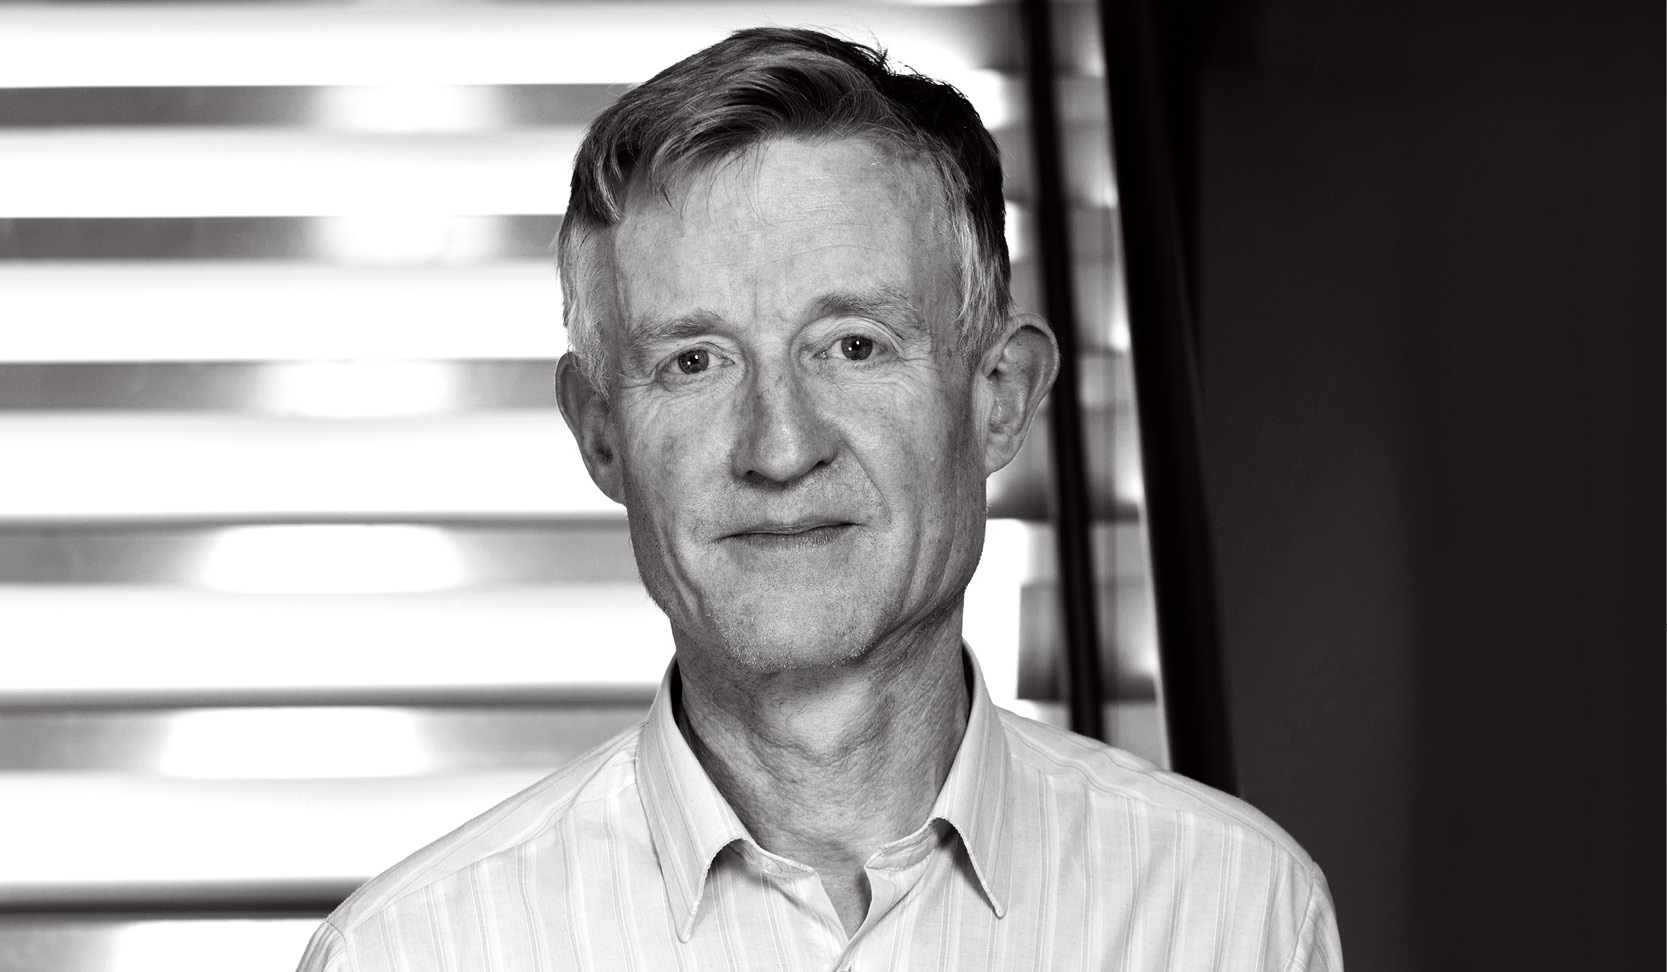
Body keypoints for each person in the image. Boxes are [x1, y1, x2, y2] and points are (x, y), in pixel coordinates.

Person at [297, 26, 1343, 971]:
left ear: (997, 399)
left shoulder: (1235, 914)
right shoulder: (408, 951)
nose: (779, 448)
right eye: (694, 361)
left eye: (853, 346)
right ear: (599, 432)